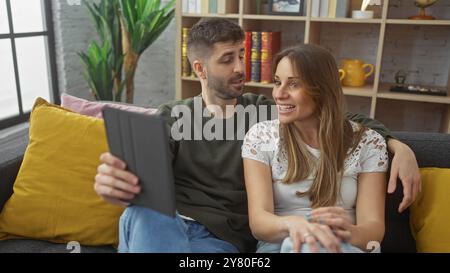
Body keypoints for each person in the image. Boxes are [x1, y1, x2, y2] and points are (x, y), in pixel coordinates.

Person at [94, 18, 421, 253]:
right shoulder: (173, 116)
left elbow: (334, 114)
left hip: (219, 242)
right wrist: (116, 182)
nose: (240, 67)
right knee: (141, 212)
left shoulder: (264, 112)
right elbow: (139, 182)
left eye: (241, 54)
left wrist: (398, 146)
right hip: (168, 225)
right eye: (227, 59)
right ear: (200, 69)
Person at [242, 44, 389, 253]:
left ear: (321, 89)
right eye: (277, 82)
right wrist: (295, 225)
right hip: (282, 244)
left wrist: (347, 232)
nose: (279, 94)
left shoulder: (368, 142)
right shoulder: (261, 137)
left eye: (293, 84)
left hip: (345, 246)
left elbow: (373, 229)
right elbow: (259, 223)